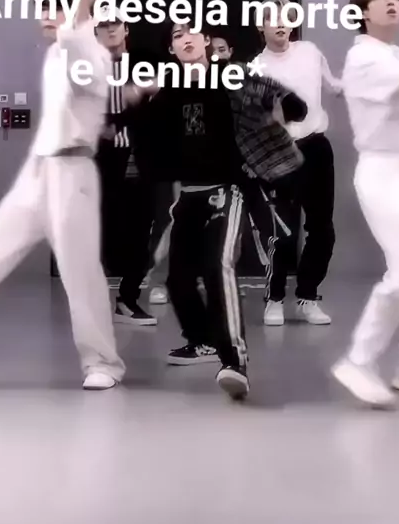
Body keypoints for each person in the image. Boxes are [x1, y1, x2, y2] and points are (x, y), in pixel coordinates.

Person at [0, 0, 125, 391]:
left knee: (80, 272)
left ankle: (103, 363)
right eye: (42, 8)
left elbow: (84, 75)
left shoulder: (92, 52)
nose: (46, 15)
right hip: (38, 171)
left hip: (73, 172)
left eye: (56, 7)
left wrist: (78, 21)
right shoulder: (56, 53)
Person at [118, 22, 307, 400]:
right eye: (177, 36)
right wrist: (139, 98)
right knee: (178, 280)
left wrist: (283, 108)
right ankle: (202, 340)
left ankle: (234, 360)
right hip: (189, 194)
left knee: (218, 266)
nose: (185, 38)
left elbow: (284, 99)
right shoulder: (168, 91)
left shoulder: (231, 76)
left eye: (192, 32)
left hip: (228, 189)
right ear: (171, 50)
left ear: (206, 42)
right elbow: (146, 139)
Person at [332, 0, 399, 405]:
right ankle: (359, 360)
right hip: (384, 171)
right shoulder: (364, 57)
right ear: (362, 12)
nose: (390, 3)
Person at [252, 0, 341, 327]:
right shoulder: (257, 68)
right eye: (272, 18)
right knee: (284, 232)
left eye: (286, 17)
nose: (280, 23)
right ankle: (274, 298)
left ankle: (308, 296)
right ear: (261, 27)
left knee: (322, 229)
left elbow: (335, 86)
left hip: (316, 148)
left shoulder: (310, 52)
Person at [95, 8, 158, 326]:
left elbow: (160, 97)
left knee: (141, 230)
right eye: (103, 25)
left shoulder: (145, 62)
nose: (110, 30)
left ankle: (128, 299)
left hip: (143, 157)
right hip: (101, 160)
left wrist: (146, 91)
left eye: (115, 24)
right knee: (101, 230)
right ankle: (92, 303)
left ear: (126, 28)